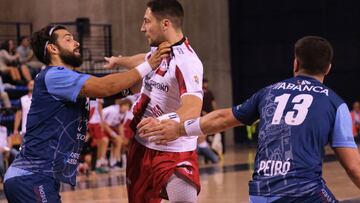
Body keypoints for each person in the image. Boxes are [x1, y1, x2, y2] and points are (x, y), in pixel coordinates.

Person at [139, 36, 360, 202]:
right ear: (328, 69)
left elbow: (223, 117)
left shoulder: (269, 92)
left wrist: (179, 130)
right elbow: (353, 168)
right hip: (303, 193)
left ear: (295, 63)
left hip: (261, 194)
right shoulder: (335, 104)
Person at [3, 24, 170, 203]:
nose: (76, 43)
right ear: (53, 48)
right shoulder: (53, 76)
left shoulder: (69, 79)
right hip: (31, 177)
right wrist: (149, 64)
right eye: (68, 39)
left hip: (39, 178)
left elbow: (127, 87)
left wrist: (157, 69)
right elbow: (106, 86)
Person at [105, 0, 203, 202]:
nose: (142, 28)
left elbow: (193, 108)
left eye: (147, 21)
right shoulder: (159, 51)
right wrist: (119, 60)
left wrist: (162, 120)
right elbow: (143, 58)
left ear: (165, 24)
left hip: (174, 151)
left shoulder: (188, 62)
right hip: (141, 145)